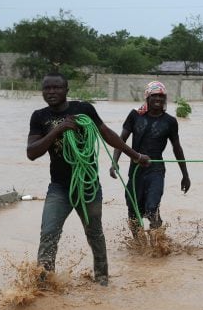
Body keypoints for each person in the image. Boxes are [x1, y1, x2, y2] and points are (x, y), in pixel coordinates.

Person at [27, 72, 150, 286]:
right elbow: (31, 152)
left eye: (57, 88)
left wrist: (136, 156)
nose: (51, 92)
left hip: (88, 185)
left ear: (66, 90)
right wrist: (58, 130)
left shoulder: (83, 109)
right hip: (59, 188)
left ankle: (102, 279)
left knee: (94, 233)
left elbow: (107, 134)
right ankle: (44, 284)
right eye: (47, 88)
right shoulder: (39, 116)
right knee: (48, 233)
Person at [109, 81, 190, 234]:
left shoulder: (170, 121)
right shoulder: (135, 116)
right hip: (135, 171)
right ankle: (139, 247)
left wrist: (185, 175)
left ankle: (158, 243)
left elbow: (177, 148)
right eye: (154, 96)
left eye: (161, 96)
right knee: (133, 212)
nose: (158, 99)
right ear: (147, 98)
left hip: (156, 170)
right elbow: (121, 141)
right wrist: (114, 163)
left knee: (152, 208)